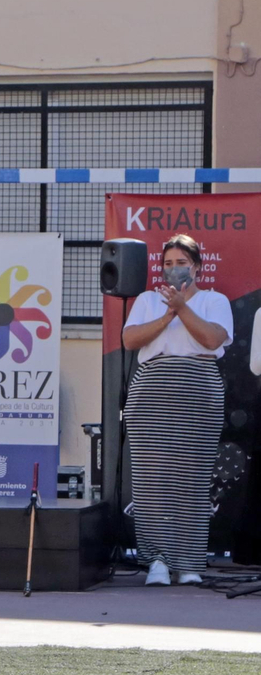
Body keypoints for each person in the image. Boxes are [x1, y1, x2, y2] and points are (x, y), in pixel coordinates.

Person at [122, 234, 231, 586]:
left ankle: (188, 562)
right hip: (151, 394)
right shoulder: (147, 300)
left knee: (192, 479)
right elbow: (130, 339)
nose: (174, 269)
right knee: (152, 481)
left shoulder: (215, 300)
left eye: (181, 263)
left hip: (199, 394)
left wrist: (183, 308)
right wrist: (168, 312)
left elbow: (212, 339)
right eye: (168, 264)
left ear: (197, 267)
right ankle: (156, 560)